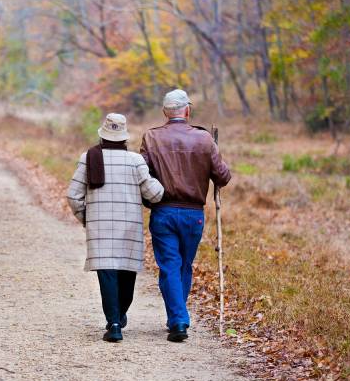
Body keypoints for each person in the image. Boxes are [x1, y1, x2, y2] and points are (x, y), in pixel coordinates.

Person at [140, 89, 231, 342]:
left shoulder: (151, 137)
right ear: (187, 111)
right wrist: (213, 152)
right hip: (193, 215)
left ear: (164, 112)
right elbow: (223, 177)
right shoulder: (203, 139)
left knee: (170, 266)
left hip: (164, 211)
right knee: (182, 265)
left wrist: (149, 196)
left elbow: (141, 174)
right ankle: (178, 318)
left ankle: (177, 318)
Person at [67, 113, 164, 343]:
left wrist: (87, 219)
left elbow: (73, 196)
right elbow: (155, 194)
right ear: (124, 138)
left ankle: (114, 323)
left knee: (107, 274)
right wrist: (159, 180)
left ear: (102, 135)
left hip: (99, 229)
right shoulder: (135, 161)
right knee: (126, 274)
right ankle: (119, 317)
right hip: (129, 227)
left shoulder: (88, 158)